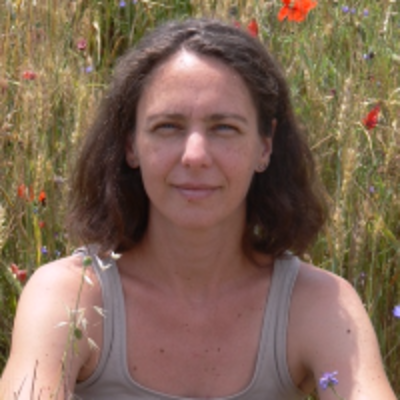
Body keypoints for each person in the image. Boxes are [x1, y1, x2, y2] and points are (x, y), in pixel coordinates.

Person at [0, 18, 396, 400]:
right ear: (131, 144)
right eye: (167, 127)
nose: (195, 155)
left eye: (224, 128)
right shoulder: (71, 296)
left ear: (265, 146)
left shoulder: (318, 304)